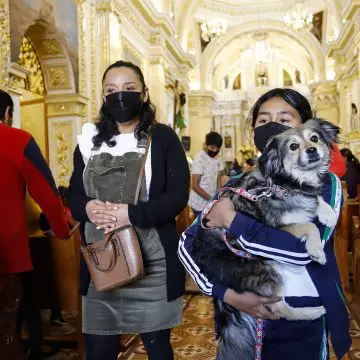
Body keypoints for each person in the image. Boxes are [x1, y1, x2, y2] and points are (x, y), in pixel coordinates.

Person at [178, 88, 351, 360]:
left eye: (285, 119)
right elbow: (187, 244)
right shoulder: (237, 184)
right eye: (263, 120)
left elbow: (301, 252)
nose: (272, 126)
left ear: (305, 126)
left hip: (302, 313)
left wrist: (233, 220)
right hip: (239, 316)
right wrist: (227, 294)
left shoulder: (321, 183)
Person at [67, 60, 190, 360]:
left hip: (152, 264)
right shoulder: (88, 141)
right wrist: (87, 207)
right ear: (104, 97)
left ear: (144, 93)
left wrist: (131, 215)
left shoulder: (162, 138)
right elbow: (73, 195)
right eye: (111, 90)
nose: (120, 95)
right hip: (102, 263)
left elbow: (177, 196)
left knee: (158, 349)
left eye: (129, 88)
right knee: (99, 350)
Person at [0, 89, 69, 360]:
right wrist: (61, 230)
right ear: (8, 113)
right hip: (9, 250)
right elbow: (47, 194)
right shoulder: (18, 140)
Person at [38, 186, 76, 336]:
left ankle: (59, 316)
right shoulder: (47, 214)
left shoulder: (66, 211)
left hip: (66, 255)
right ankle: (57, 319)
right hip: (55, 256)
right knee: (56, 289)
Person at [188, 131, 223, 218]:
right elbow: (195, 186)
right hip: (199, 203)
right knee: (202, 228)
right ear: (206, 145)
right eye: (212, 147)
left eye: (217, 149)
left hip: (211, 202)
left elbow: (218, 181)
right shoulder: (200, 158)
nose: (215, 151)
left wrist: (219, 196)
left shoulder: (218, 159)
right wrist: (211, 199)